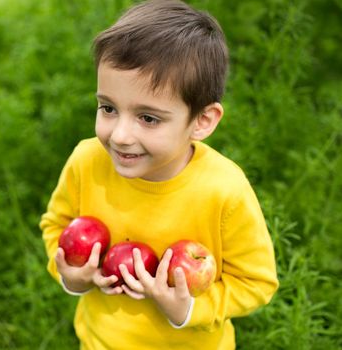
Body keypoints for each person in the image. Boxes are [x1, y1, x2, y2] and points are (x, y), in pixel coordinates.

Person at [40, 0, 279, 348]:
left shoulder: (223, 191)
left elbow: (256, 282)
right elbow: (55, 225)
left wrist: (189, 307)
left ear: (202, 121)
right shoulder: (87, 160)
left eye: (148, 118)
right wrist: (72, 276)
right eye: (108, 108)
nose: (119, 135)